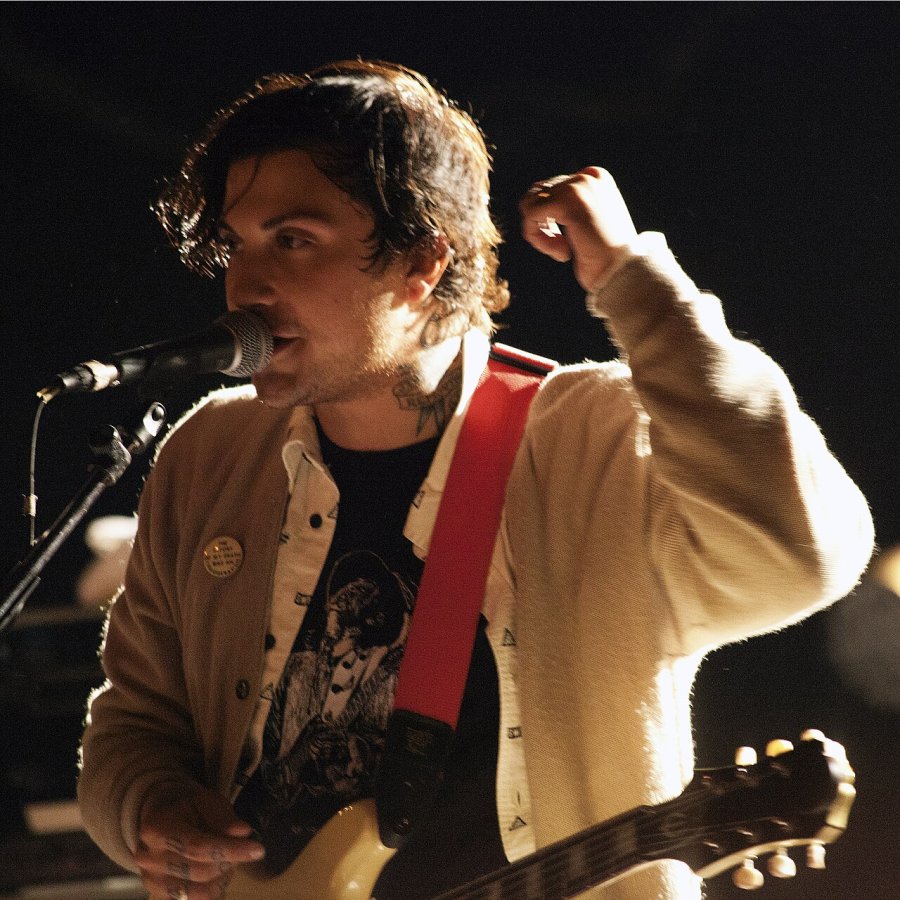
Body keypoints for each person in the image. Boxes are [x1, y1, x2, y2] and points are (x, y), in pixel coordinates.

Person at [77, 59, 874, 900]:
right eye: (235, 244)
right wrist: (150, 805)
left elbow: (802, 555)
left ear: (424, 260)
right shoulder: (210, 452)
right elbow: (134, 719)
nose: (244, 284)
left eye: (293, 240)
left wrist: (637, 285)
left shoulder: (594, 440)